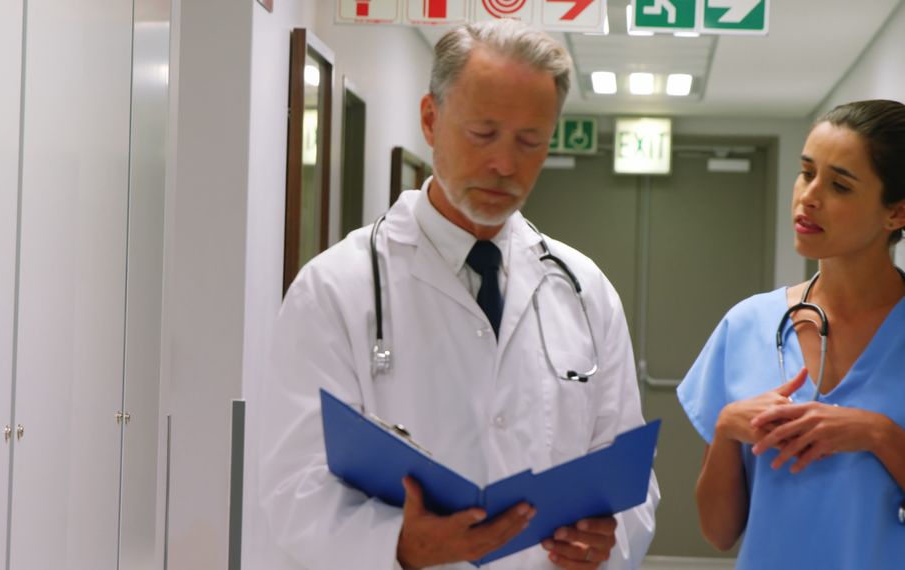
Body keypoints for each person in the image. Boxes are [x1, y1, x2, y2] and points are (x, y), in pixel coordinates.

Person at [259, 19, 659, 570]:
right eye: (482, 133)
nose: (505, 164)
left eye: (529, 141)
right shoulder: (335, 289)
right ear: (431, 118)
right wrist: (397, 545)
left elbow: (629, 480)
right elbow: (291, 487)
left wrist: (606, 542)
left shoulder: (586, 292)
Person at [677, 99, 905, 568]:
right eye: (806, 173)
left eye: (839, 185)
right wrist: (725, 430)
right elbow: (718, 532)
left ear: (896, 214)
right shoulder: (747, 325)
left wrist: (881, 435)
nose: (809, 196)